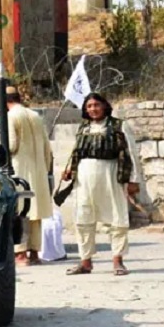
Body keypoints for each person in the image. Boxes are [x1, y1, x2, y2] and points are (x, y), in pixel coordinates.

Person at [63, 92, 140, 277]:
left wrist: (133, 180)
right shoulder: (83, 128)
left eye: (96, 105)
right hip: (84, 177)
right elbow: (76, 152)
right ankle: (85, 262)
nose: (93, 109)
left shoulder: (119, 126)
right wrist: (68, 170)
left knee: (117, 217)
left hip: (111, 174)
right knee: (83, 218)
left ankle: (118, 261)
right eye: (89, 106)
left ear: (104, 106)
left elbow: (132, 154)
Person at [5, 86, 54, 266]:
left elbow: (11, 146)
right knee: (36, 213)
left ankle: (20, 254)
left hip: (20, 170)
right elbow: (47, 147)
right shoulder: (35, 116)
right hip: (39, 170)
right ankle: (35, 253)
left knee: (21, 211)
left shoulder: (11, 116)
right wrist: (46, 168)